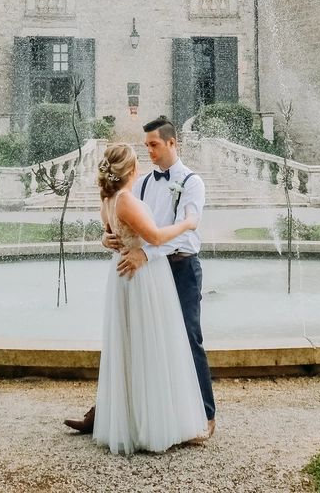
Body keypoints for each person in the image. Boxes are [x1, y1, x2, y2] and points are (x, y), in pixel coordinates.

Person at [67, 116, 217, 442]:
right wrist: (106, 239)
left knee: (189, 339)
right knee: (143, 341)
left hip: (181, 267)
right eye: (146, 144)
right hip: (147, 271)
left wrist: (145, 253)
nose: (148, 150)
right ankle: (119, 413)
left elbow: (176, 234)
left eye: (153, 144)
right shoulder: (144, 183)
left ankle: (205, 415)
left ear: (172, 143)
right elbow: (130, 223)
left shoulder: (193, 182)